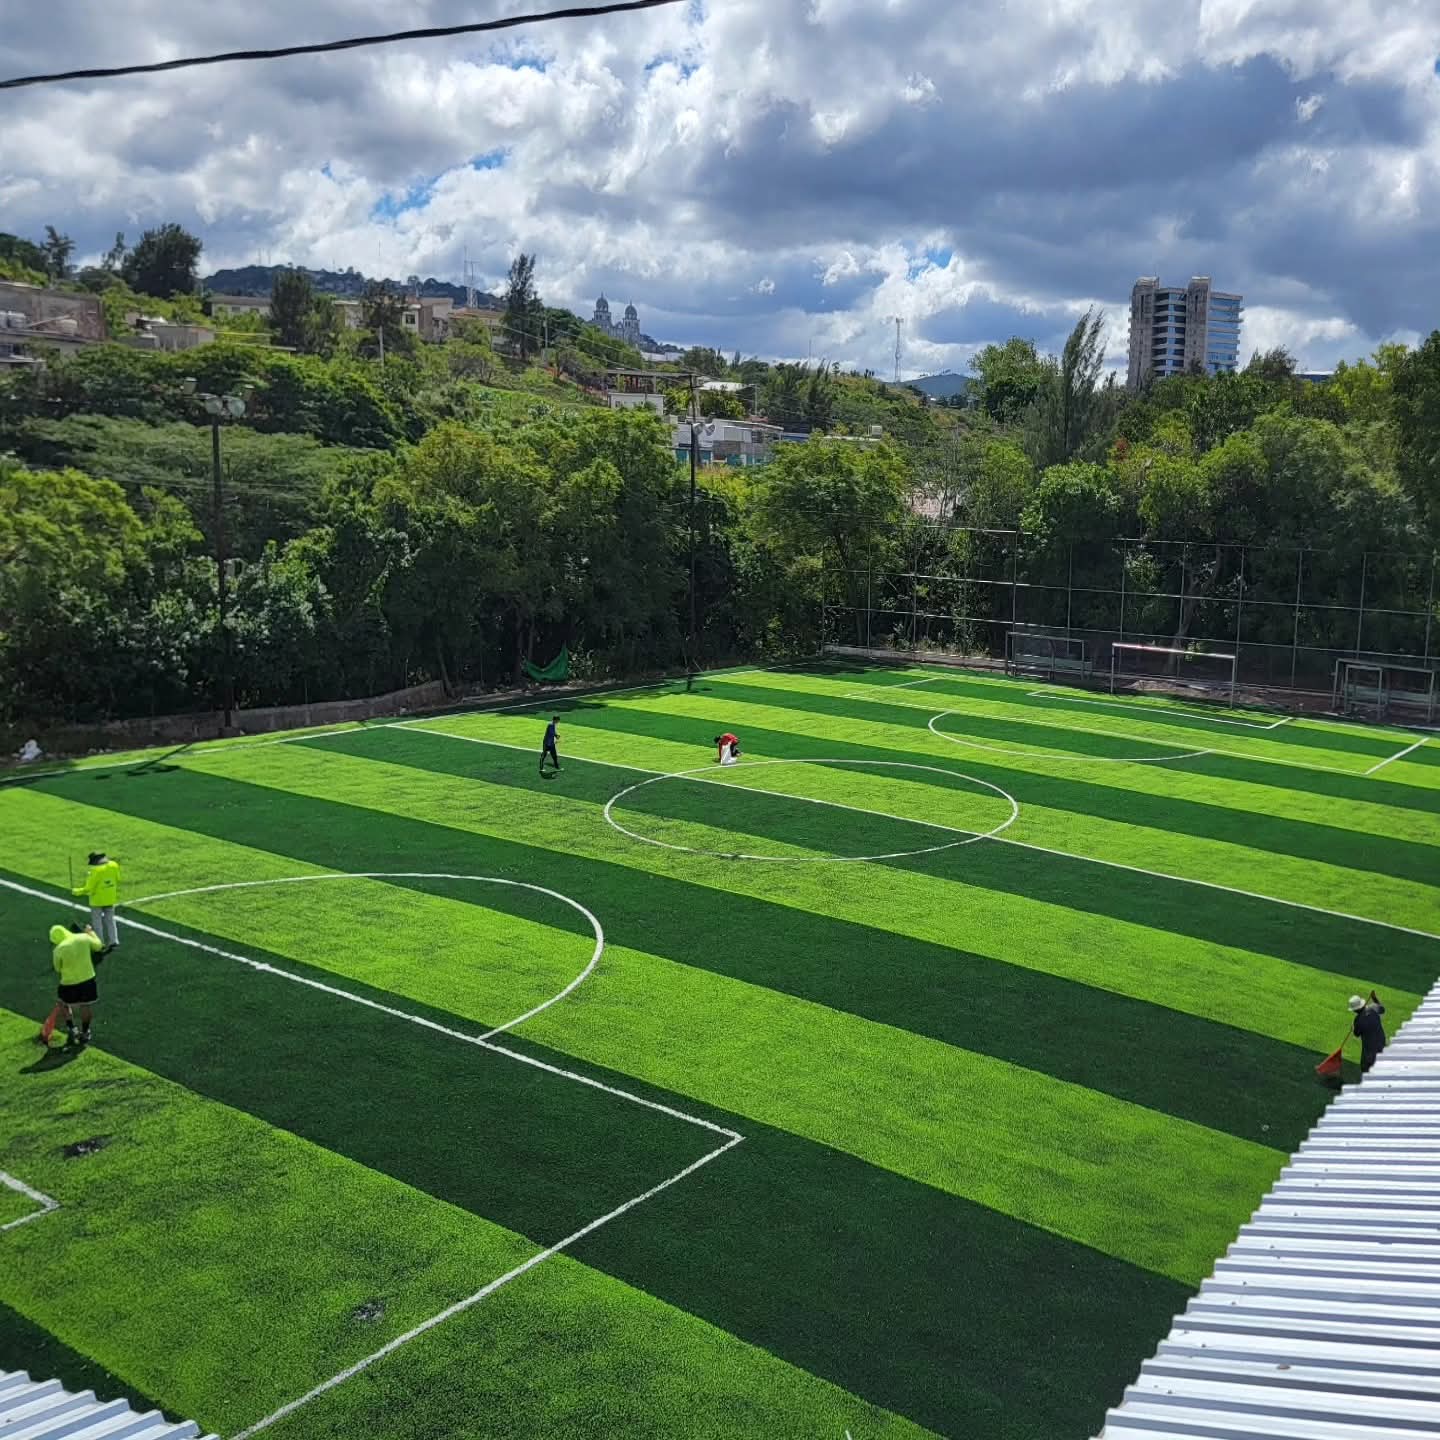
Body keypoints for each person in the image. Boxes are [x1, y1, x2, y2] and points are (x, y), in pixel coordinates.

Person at [38, 922, 105, 1048]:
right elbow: (98, 946)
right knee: (85, 1006)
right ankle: (85, 1032)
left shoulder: (58, 949)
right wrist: (90, 932)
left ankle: (72, 1028)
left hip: (69, 983)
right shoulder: (83, 938)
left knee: (63, 1004)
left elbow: (58, 968)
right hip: (88, 980)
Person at [74, 850, 121, 953]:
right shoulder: (114, 865)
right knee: (110, 919)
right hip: (110, 898)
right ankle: (114, 940)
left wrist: (77, 891)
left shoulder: (95, 871)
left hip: (97, 900)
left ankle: (100, 942)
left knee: (97, 922)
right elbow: (118, 878)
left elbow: (89, 888)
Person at [1350, 992, 1387, 1073]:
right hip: (1382, 1044)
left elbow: (1356, 1034)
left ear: (1355, 1010)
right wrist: (1374, 998)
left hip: (1370, 1050)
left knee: (1365, 1068)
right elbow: (1382, 1009)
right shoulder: (1373, 1007)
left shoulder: (1358, 1020)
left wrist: (1352, 1027)